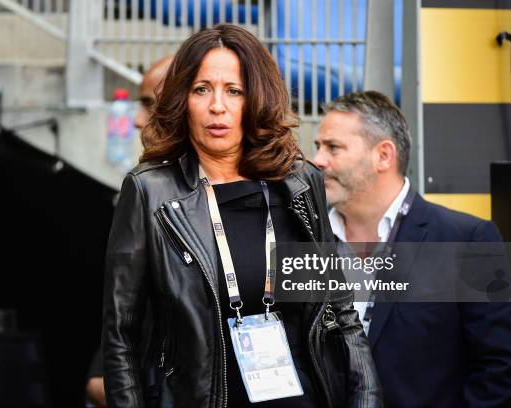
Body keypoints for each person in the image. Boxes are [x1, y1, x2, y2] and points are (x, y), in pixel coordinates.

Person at [102, 24, 381, 408]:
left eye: (235, 91)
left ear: (258, 99)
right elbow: (121, 337)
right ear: (183, 98)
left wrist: (366, 400)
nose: (218, 106)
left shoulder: (299, 184)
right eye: (202, 89)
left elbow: (340, 314)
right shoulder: (152, 191)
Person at [313, 90, 511, 407]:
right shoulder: (308, 241)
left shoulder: (466, 240)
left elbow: (505, 366)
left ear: (383, 155)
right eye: (318, 147)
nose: (318, 161)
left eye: (333, 148)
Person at [86, 55, 173, 408]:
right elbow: (103, 373)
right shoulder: (145, 195)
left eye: (150, 105)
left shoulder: (291, 198)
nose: (137, 121)